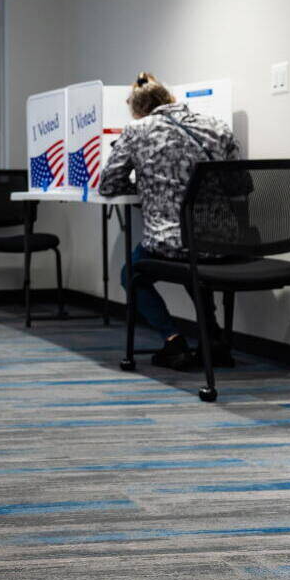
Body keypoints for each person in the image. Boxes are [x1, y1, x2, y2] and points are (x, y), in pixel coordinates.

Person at [98, 73, 240, 370]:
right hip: (219, 240)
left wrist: (148, 188)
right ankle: (211, 337)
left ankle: (173, 340)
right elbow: (240, 186)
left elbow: (109, 183)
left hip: (170, 242)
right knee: (196, 264)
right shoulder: (218, 127)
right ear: (172, 99)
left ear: (138, 110)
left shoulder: (137, 130)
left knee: (130, 275)